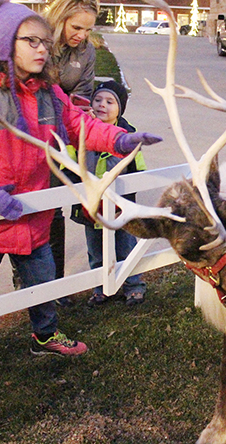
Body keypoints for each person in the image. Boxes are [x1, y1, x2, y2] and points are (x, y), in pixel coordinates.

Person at [0, 0, 162, 380]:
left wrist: (121, 140)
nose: (42, 49)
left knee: (43, 279)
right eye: (31, 41)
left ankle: (44, 334)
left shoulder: (49, 95)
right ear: (6, 46)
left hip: (32, 215)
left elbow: (81, 126)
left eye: (44, 43)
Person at [36, 0, 101, 305]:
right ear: (61, 17)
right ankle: (32, 285)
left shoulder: (87, 51)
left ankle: (54, 287)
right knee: (38, 210)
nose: (82, 35)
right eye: (76, 27)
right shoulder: (39, 42)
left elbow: (85, 91)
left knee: (57, 209)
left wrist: (81, 110)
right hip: (34, 137)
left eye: (88, 28)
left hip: (66, 138)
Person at [67, 81, 148, 307]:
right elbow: (70, 164)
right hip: (91, 207)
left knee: (125, 247)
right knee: (96, 251)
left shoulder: (128, 135)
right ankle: (101, 287)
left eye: (109, 101)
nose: (102, 105)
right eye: (97, 100)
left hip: (120, 207)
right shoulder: (80, 132)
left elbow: (138, 169)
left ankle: (133, 285)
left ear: (119, 108)